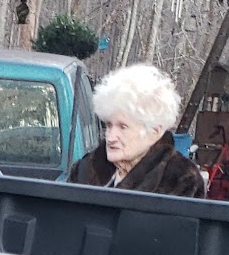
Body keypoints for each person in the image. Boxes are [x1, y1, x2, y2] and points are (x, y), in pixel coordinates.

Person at [70, 62, 204, 197]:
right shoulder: (85, 169)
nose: (110, 137)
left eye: (123, 127)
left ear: (154, 132)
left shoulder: (181, 180)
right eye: (109, 125)